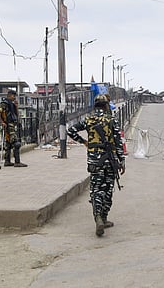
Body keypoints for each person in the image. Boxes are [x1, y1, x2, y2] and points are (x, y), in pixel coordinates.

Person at [67, 94, 125, 237]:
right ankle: (103, 217)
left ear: (95, 106)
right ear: (106, 106)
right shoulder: (111, 120)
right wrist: (121, 160)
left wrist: (84, 142)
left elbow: (71, 131)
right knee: (108, 188)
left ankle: (97, 216)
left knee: (96, 189)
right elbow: (118, 142)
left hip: (94, 160)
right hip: (109, 160)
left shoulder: (88, 120)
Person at [0, 90, 27, 167]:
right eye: (13, 96)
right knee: (16, 143)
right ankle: (17, 162)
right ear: (9, 95)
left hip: (12, 125)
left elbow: (16, 115)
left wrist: (16, 107)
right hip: (8, 125)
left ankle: (7, 161)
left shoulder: (12, 105)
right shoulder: (5, 103)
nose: (14, 97)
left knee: (9, 143)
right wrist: (1, 122)